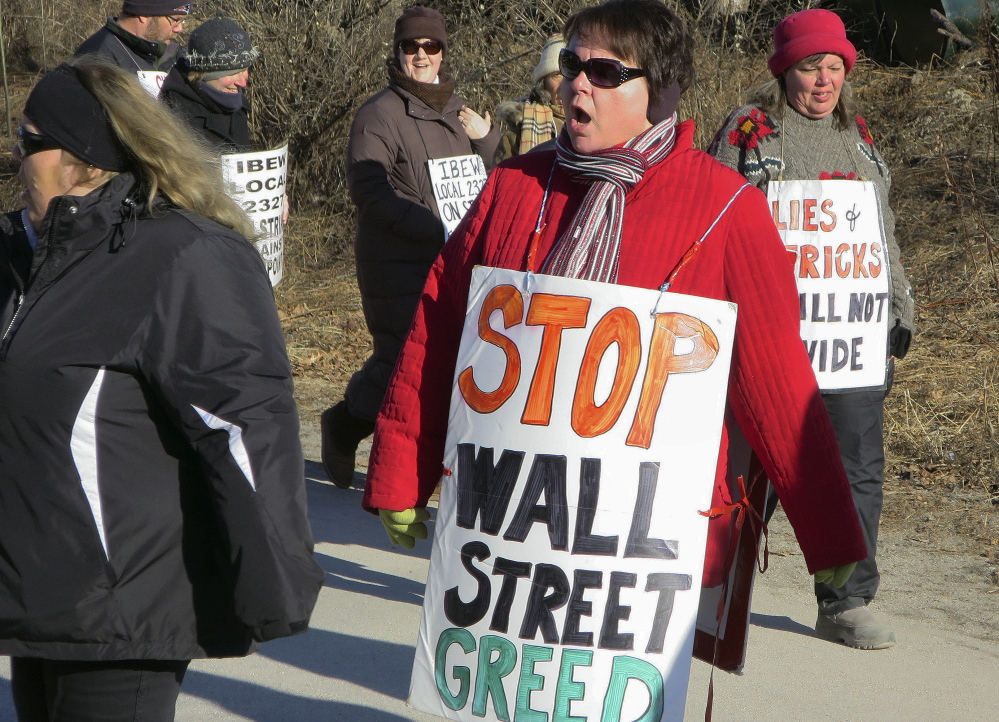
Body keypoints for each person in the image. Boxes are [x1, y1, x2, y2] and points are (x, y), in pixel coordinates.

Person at [362, 0, 867, 604]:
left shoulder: (728, 209)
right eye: (574, 63)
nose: (578, 83)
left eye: (606, 73)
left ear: (661, 92)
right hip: (512, 530)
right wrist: (401, 470)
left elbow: (778, 381)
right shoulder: (513, 188)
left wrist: (829, 531)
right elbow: (439, 331)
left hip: (649, 553)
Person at [0, 57, 323, 721]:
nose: (16, 158)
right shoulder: (27, 258)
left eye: (29, 143)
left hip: (123, 606)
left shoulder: (182, 255)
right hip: (38, 596)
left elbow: (243, 425)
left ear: (82, 157)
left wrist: (274, 584)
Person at [708, 8, 915, 650]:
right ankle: (710, 589)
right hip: (770, 339)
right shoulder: (751, 132)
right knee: (754, 468)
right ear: (783, 71)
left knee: (857, 467)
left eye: (834, 67)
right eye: (808, 67)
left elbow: (879, 232)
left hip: (850, 343)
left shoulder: (861, 138)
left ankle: (845, 602)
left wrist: (899, 304)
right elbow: (713, 221)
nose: (823, 81)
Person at [320, 5, 499, 489]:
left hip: (452, 259)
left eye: (430, 46)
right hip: (395, 260)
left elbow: (481, 185)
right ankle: (345, 424)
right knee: (402, 359)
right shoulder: (378, 113)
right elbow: (369, 192)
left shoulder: (460, 112)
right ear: (397, 51)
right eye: (410, 46)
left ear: (443, 52)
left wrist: (486, 142)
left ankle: (422, 463)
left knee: (441, 358)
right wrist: (431, 226)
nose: (421, 56)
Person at [161, 13, 256, 153]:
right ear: (203, 73)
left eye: (245, 70)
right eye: (232, 73)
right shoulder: (174, 116)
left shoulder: (236, 105)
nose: (242, 82)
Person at [75, 1, 191, 92]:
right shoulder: (97, 57)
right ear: (145, 14)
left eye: (183, 21)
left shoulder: (171, 52)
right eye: (176, 20)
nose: (179, 29)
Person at [493, 33, 566, 164]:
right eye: (557, 75)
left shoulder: (601, 124)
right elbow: (503, 181)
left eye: (570, 74)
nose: (565, 84)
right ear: (544, 83)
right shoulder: (518, 132)